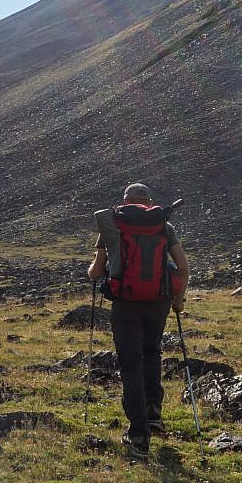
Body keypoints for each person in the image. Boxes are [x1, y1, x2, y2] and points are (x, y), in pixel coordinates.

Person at [87, 183, 188, 460]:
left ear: (125, 201)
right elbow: (183, 267)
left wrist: (95, 271)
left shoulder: (114, 224)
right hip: (159, 300)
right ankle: (154, 411)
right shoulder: (163, 225)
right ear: (149, 202)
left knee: (130, 363)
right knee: (152, 351)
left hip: (126, 302)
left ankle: (139, 436)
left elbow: (96, 271)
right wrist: (178, 299)